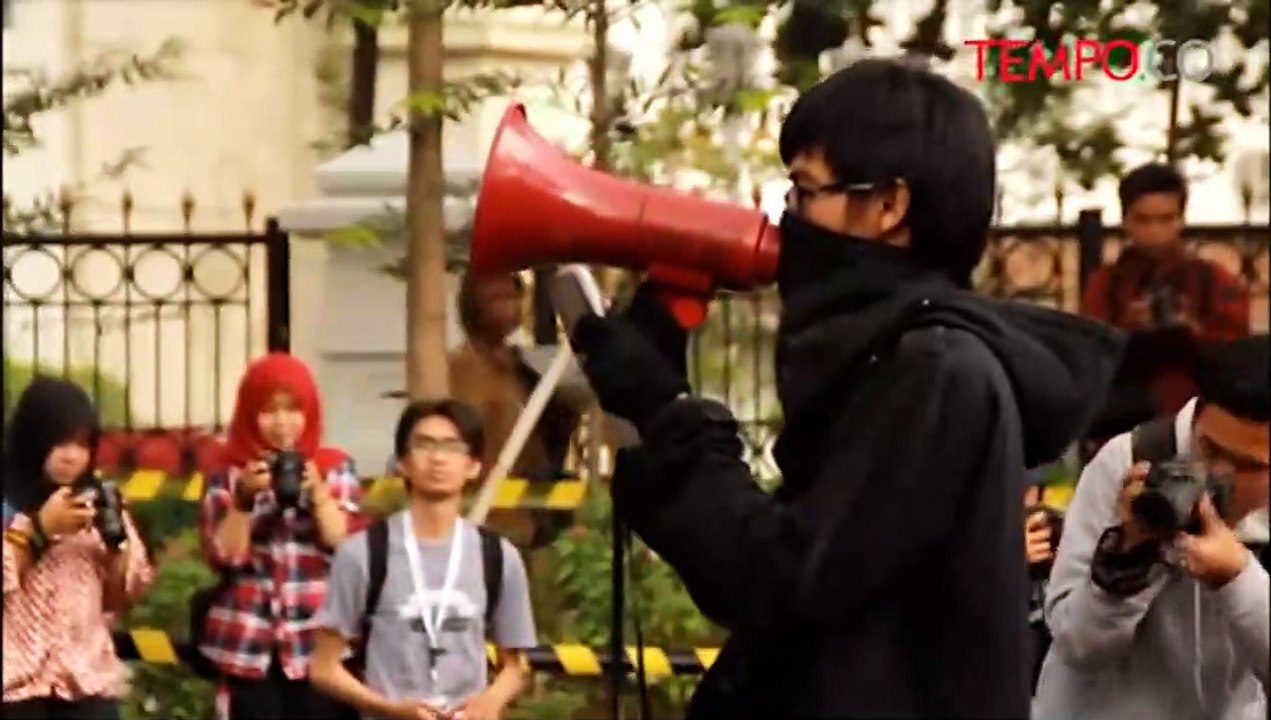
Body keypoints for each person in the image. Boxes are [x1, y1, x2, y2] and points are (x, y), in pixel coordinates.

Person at [567, 58, 1125, 719]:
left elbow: (788, 582)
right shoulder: (899, 357)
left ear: (889, 206)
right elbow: (777, 569)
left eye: (805, 192)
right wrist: (661, 411)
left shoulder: (933, 371)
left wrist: (668, 413)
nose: (787, 217)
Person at [1033, 336, 1269, 720]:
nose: (1220, 476)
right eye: (1210, 450)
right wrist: (1129, 557)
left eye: (1249, 466)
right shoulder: (1130, 462)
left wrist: (1236, 579)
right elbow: (1079, 647)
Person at [310, 399, 536, 720]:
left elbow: (515, 665)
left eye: (452, 446)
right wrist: (388, 708)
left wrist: (489, 702)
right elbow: (323, 667)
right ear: (402, 462)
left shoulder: (498, 556)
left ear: (473, 465)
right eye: (424, 444)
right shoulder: (363, 553)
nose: (438, 458)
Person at [196, 353, 362, 720]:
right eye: (269, 410)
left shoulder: (333, 466)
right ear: (250, 413)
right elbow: (223, 556)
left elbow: (346, 547)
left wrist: (317, 492)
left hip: (321, 645)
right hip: (247, 646)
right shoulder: (226, 473)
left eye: (293, 409)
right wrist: (243, 500)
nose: (283, 422)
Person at [2, 377, 154, 720]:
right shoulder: (7, 501)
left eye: (82, 444)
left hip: (87, 685)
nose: (72, 456)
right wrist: (39, 530)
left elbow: (128, 592)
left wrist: (117, 544)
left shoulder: (98, 500)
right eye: (59, 443)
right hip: (16, 688)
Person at [1082, 163, 1251, 442]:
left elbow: (1236, 353)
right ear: (1126, 221)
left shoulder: (1210, 279)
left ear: (1181, 219)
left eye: (1166, 219)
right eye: (1143, 220)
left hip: (1200, 425)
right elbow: (1088, 352)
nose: (1155, 231)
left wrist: (1190, 330)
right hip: (1123, 427)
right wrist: (1130, 328)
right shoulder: (1108, 283)